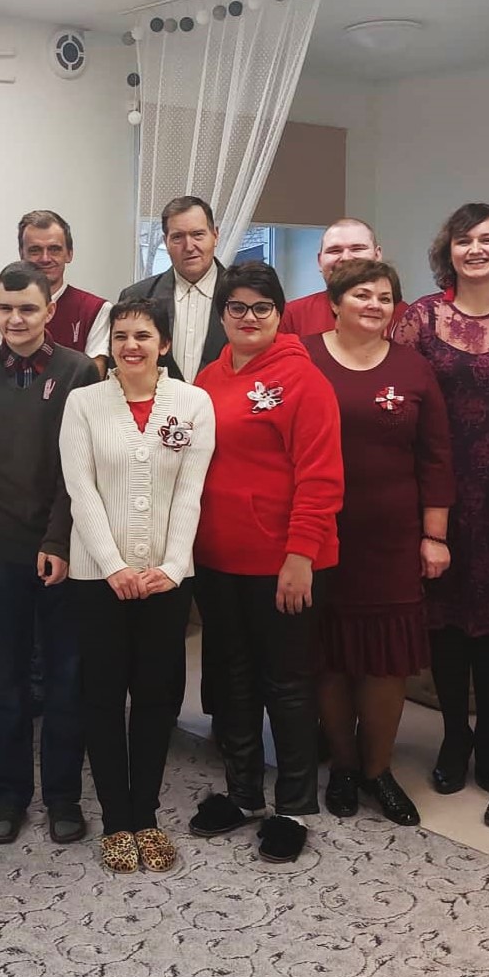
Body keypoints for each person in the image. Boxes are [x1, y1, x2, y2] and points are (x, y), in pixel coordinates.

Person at [390, 203, 489, 795]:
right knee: (444, 616)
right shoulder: (418, 318)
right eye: (464, 240)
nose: (476, 249)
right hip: (436, 491)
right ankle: (454, 734)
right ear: (449, 251)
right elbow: (392, 391)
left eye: (487, 239)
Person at [189, 262, 344, 863]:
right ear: (222, 314)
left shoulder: (304, 380)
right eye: (237, 307)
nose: (249, 317)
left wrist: (300, 555)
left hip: (285, 562)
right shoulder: (209, 376)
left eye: (261, 307)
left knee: (288, 684)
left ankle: (294, 807)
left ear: (279, 314)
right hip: (217, 558)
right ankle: (243, 794)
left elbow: (321, 477)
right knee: (232, 679)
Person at [0, 261, 100, 846]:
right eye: (5, 308)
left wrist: (57, 540)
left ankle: (63, 797)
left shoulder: (79, 371)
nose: (16, 319)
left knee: (64, 679)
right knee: (6, 683)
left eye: (28, 308)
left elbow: (76, 471)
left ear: (49, 310)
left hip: (63, 551)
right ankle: (7, 797)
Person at [60, 298, 215, 873]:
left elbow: (191, 492)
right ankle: (115, 819)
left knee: (155, 698)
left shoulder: (193, 403)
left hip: (166, 580)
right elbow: (81, 490)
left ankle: (145, 814)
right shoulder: (83, 403)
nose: (131, 346)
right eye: (121, 336)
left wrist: (172, 567)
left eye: (143, 335)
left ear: (163, 344)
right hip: (97, 576)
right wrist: (113, 565)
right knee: (102, 697)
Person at [303, 259, 455, 827]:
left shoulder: (413, 367)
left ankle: (378, 770)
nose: (374, 305)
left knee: (386, 661)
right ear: (334, 303)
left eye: (385, 297)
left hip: (392, 537)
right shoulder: (302, 358)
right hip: (320, 532)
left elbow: (436, 456)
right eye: (362, 295)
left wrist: (434, 534)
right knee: (330, 655)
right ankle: (343, 766)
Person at [119, 196, 227, 380]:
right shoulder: (137, 296)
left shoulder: (242, 297)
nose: (189, 246)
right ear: (165, 241)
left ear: (215, 235)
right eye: (177, 237)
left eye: (198, 234)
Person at [0, 210, 112, 363]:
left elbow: (93, 374)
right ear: (21, 254)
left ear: (69, 254)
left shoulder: (95, 310)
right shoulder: (7, 309)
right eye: (35, 250)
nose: (45, 258)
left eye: (54, 249)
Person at [281, 218, 400, 337]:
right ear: (319, 261)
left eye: (357, 249)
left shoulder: (404, 317)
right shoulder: (291, 315)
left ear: (377, 255)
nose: (346, 258)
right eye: (334, 250)